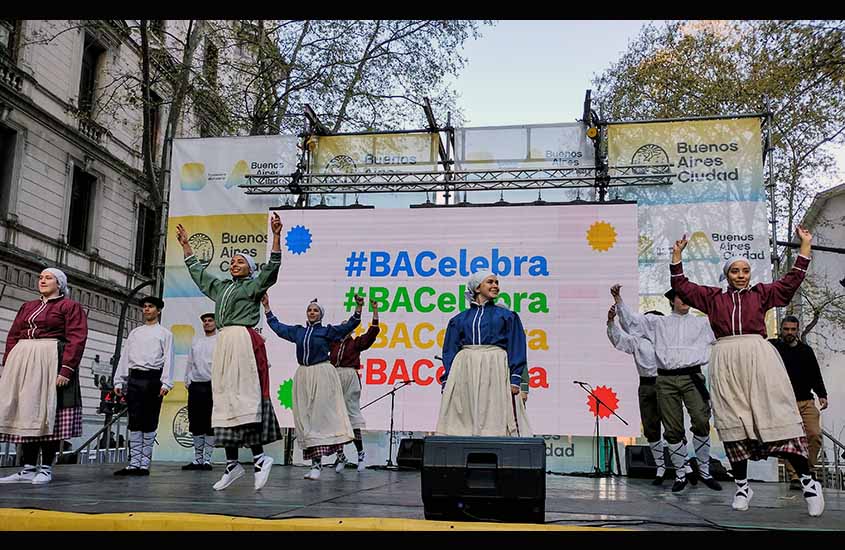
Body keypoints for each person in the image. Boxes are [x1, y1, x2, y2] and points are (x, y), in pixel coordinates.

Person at [670, 225, 824, 516]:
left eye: (745, 270)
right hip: (726, 359)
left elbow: (791, 281)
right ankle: (742, 486)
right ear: (727, 275)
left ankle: (808, 482)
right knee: (733, 421)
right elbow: (683, 287)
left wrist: (805, 246)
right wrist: (677, 255)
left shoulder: (762, 294)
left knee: (775, 415)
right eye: (734, 271)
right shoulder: (714, 299)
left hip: (757, 355)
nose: (740, 275)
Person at [176, 213, 283, 492]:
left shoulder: (253, 285)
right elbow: (199, 274)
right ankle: (233, 464)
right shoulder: (221, 287)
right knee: (223, 402)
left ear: (249, 269)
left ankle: (260, 457)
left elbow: (271, 270)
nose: (234, 263)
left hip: (243, 342)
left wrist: (276, 236)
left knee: (244, 399)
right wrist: (186, 246)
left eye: (240, 261)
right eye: (233, 261)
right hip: (225, 344)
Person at [613, 285, 721, 493]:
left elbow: (725, 328)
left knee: (701, 419)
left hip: (692, 376)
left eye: (689, 297)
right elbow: (632, 323)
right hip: (665, 379)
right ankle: (680, 474)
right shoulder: (658, 323)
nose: (685, 300)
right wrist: (618, 300)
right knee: (672, 429)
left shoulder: (702, 323)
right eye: (681, 297)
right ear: (672, 301)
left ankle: (705, 470)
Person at [0, 268, 88, 485]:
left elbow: (76, 338)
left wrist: (66, 369)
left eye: (48, 278)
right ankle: (28, 468)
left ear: (59, 284)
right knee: (26, 413)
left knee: (50, 414)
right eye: (41, 277)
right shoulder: (27, 306)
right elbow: (13, 335)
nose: (42, 280)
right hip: (23, 361)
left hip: (51, 360)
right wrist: (8, 364)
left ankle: (46, 467)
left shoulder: (69, 307)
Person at [263, 294, 363, 480]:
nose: (312, 312)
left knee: (322, 417)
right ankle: (320, 462)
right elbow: (278, 328)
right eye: (309, 310)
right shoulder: (299, 332)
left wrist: (358, 309)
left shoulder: (326, 331)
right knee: (306, 417)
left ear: (321, 315)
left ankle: (330, 459)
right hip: (303, 374)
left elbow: (348, 327)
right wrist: (267, 308)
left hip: (322, 373)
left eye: (315, 310)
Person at [436, 271, 532, 437]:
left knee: (494, 408)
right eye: (490, 282)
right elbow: (450, 350)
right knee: (466, 410)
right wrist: (448, 379)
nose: (495, 286)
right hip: (466, 367)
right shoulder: (459, 320)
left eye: (496, 282)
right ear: (477, 288)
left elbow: (517, 345)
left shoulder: (507, 316)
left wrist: (516, 378)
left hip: (495, 365)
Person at [607, 303, 673, 485]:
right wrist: (611, 321)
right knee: (651, 427)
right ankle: (660, 468)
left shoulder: (669, 341)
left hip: (666, 383)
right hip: (646, 385)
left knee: (672, 426)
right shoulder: (638, 341)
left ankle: (684, 468)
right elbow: (619, 339)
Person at [113, 296, 174, 476]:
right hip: (135, 377)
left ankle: (144, 464)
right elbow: (126, 356)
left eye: (150, 307)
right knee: (134, 420)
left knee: (149, 420)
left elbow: (169, 358)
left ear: (158, 310)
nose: (146, 309)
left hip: (153, 378)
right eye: (145, 307)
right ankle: (133, 463)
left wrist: (166, 382)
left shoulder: (165, 333)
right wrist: (119, 379)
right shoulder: (135, 333)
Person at [769, 315, 828, 490]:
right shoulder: (773, 348)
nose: (789, 332)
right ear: (781, 329)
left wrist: (822, 394)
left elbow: (815, 374)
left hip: (806, 400)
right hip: (784, 402)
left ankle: (808, 470)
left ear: (797, 330)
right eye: (786, 329)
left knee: (814, 434)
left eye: (793, 329)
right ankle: (795, 476)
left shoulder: (806, 351)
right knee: (790, 440)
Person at [329, 300, 380, 473]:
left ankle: (361, 455)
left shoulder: (355, 343)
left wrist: (375, 311)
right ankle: (340, 456)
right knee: (335, 419)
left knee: (352, 416)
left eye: (346, 326)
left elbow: (372, 334)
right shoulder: (333, 344)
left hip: (349, 377)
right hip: (334, 376)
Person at [182, 312, 218, 471]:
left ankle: (207, 460)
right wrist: (187, 380)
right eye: (205, 321)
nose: (207, 323)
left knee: (210, 423)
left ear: (215, 323)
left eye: (210, 321)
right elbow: (189, 362)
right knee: (196, 422)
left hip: (212, 385)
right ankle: (197, 459)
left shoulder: (220, 341)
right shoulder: (196, 341)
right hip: (196, 385)